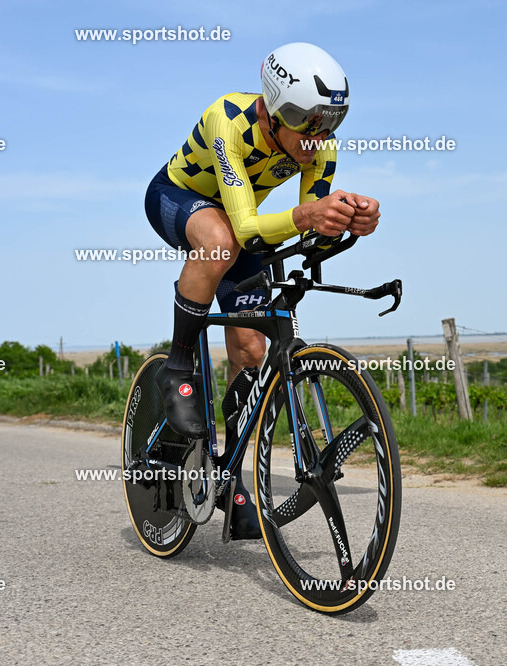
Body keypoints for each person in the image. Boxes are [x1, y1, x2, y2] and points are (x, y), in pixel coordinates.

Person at [144, 42, 380, 539]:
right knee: (218, 240)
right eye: (310, 123)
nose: (319, 137)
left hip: (243, 225)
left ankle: (230, 483)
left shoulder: (318, 145)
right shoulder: (227, 120)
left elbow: (310, 231)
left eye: (331, 123)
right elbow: (248, 228)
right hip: (179, 198)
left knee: (252, 350)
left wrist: (347, 221)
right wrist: (306, 216)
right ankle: (178, 367)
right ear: (275, 111)